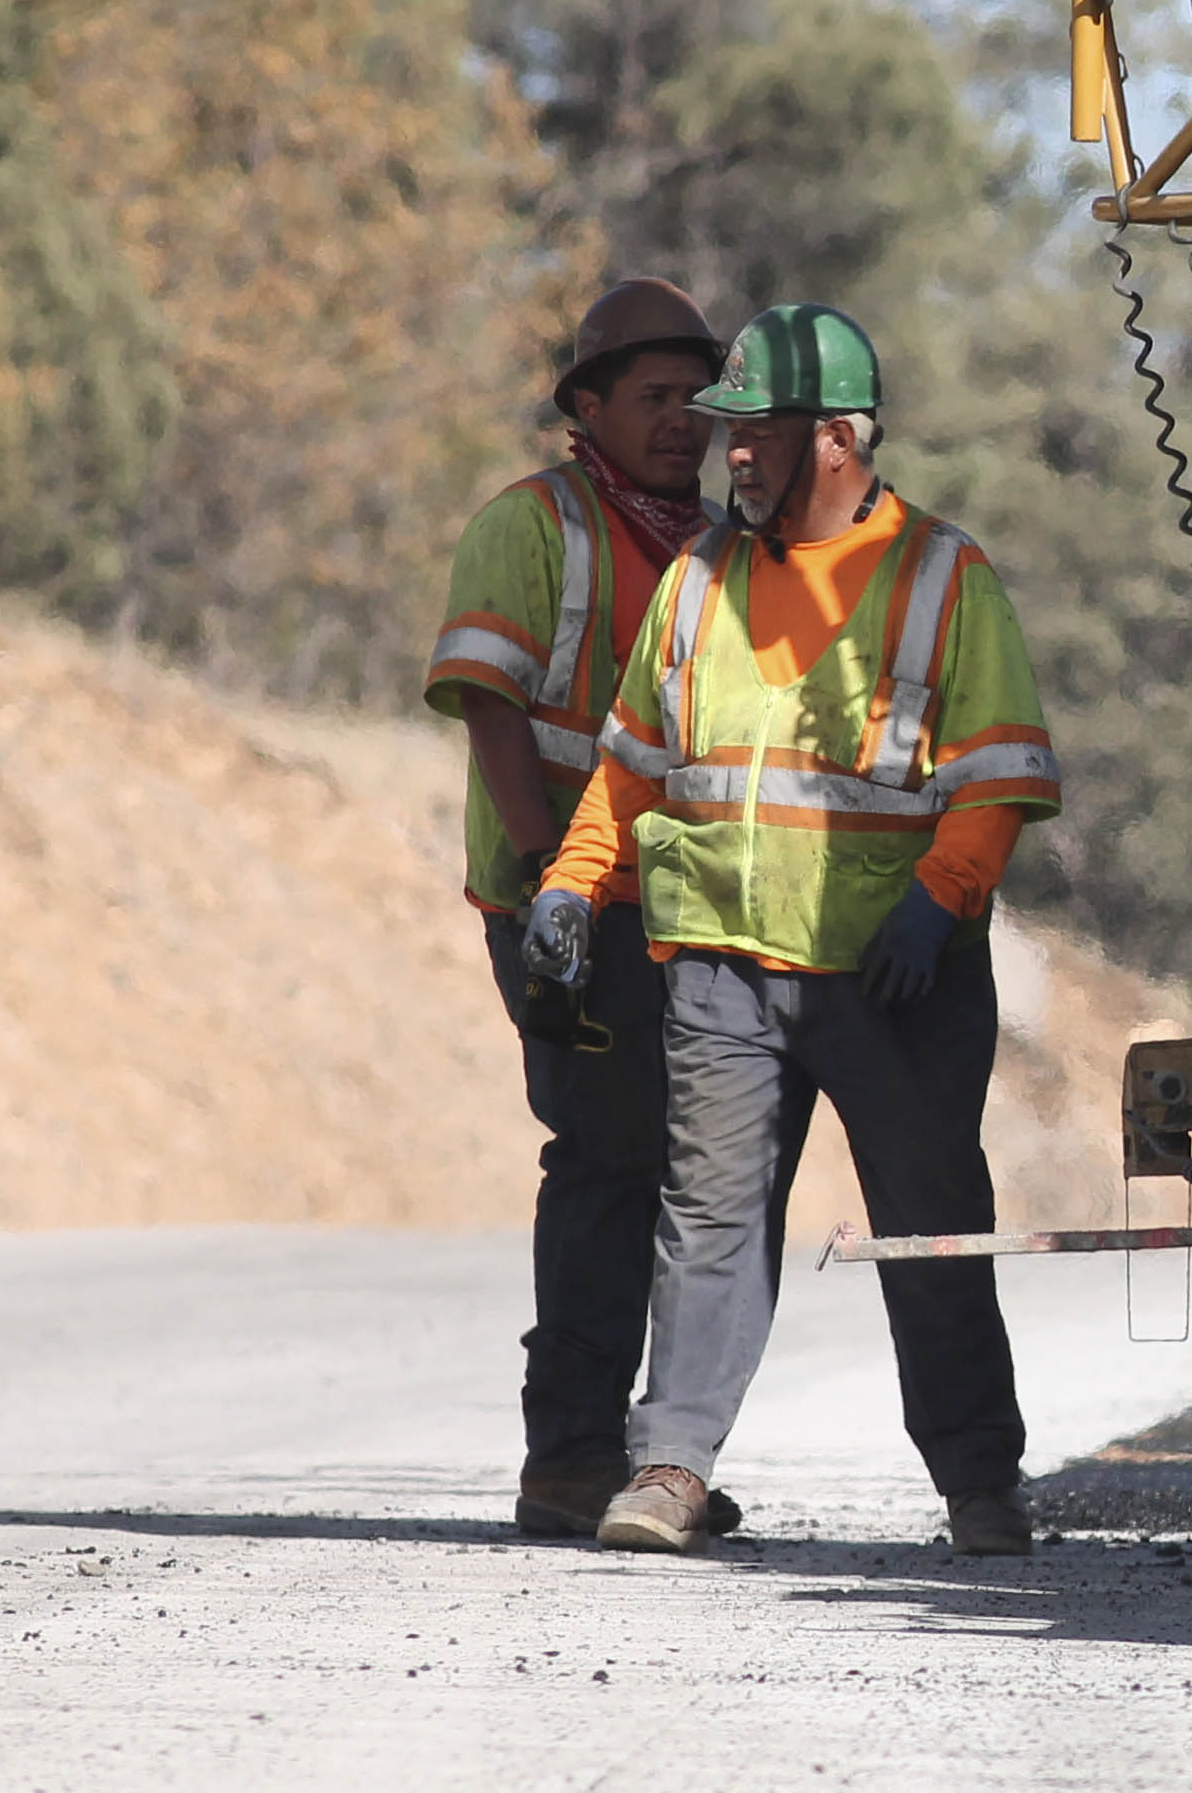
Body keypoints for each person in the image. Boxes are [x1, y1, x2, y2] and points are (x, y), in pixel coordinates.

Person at [520, 302, 1062, 1556]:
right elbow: (637, 765)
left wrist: (938, 905)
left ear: (833, 439)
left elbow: (1001, 776)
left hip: (895, 977)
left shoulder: (943, 578)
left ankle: (980, 1483)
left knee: (929, 1226)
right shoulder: (702, 580)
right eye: (726, 435)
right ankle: (670, 1467)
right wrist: (572, 881)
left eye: (751, 432)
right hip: (720, 961)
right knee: (707, 1222)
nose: (729, 455)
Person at [422, 277, 732, 1540]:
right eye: (652, 398)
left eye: (695, 401)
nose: (680, 421)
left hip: (682, 913)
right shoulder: (531, 526)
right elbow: (496, 708)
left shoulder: (717, 546)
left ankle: (650, 1462)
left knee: (683, 1177)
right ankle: (569, 1459)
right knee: (607, 1160)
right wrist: (557, 887)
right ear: (586, 408)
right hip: (567, 905)